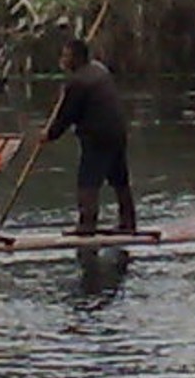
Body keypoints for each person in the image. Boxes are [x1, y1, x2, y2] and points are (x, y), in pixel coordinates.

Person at [44, 36, 135, 236]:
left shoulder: (78, 82)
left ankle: (87, 224)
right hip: (118, 132)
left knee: (88, 182)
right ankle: (128, 221)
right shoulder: (99, 70)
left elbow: (66, 116)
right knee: (119, 179)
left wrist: (49, 136)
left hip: (97, 137)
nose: (63, 59)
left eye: (66, 56)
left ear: (76, 59)